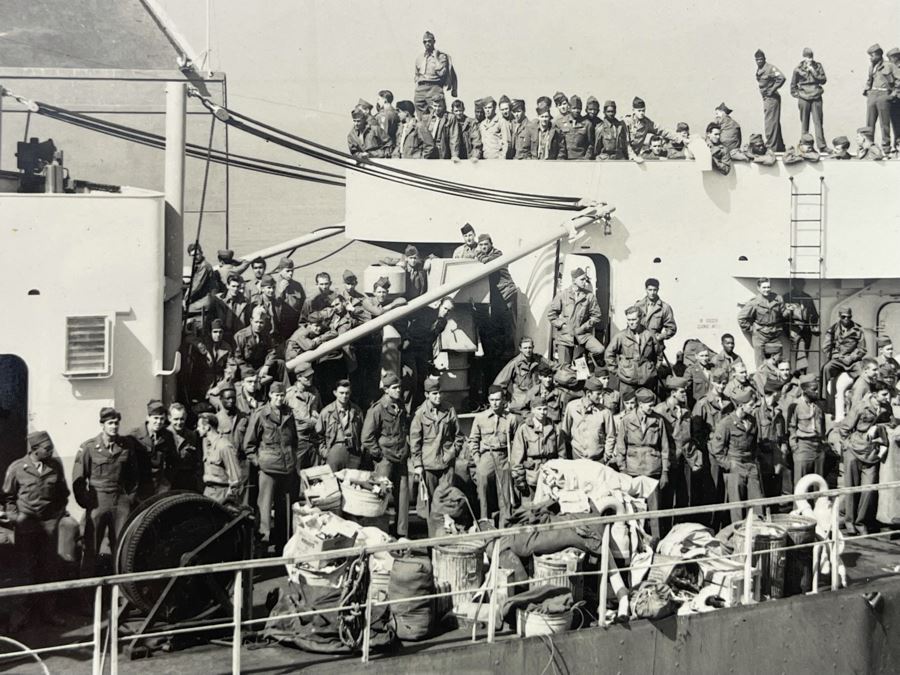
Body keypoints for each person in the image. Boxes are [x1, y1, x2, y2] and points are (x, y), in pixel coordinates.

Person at [2, 430, 69, 624]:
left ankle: (49, 612)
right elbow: (8, 497)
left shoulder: (55, 466)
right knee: (24, 569)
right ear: (34, 450)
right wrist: (16, 518)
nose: (51, 451)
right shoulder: (17, 468)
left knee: (50, 569)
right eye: (47, 449)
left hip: (49, 525)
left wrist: (56, 517)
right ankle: (20, 615)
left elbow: (62, 494)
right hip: (26, 524)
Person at [73, 407, 139, 575]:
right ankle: (86, 591)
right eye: (110, 423)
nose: (114, 427)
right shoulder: (89, 447)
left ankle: (121, 591)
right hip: (98, 501)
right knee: (91, 546)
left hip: (120, 501)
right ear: (102, 425)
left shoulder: (126, 446)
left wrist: (128, 499)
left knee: (122, 547)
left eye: (116, 423)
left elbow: (134, 476)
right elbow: (79, 479)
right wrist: (87, 502)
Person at [244, 382, 298, 551]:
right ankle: (263, 545)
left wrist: (292, 458)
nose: (279, 398)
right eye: (276, 395)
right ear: (270, 396)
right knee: (264, 510)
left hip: (287, 468)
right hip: (268, 469)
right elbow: (249, 445)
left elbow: (294, 439)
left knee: (284, 509)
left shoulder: (289, 414)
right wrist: (258, 462)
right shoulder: (261, 414)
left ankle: (282, 544)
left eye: (282, 395)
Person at [616, 388, 673, 537]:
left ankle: (656, 539)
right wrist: (622, 470)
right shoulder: (627, 420)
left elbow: (665, 448)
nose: (651, 408)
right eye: (649, 405)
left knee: (654, 511)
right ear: (640, 404)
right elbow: (621, 447)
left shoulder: (658, 420)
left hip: (652, 469)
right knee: (634, 510)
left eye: (653, 405)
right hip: (632, 470)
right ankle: (636, 540)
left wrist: (665, 472)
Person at [839, 381, 894, 533]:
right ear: (874, 394)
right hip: (854, 451)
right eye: (884, 394)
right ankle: (850, 522)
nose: (887, 397)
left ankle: (860, 522)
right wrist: (847, 447)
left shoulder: (886, 408)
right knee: (851, 488)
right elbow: (844, 428)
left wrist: (878, 426)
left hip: (872, 454)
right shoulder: (861, 406)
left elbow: (892, 423)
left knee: (868, 490)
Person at [362, 373, 410, 537]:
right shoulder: (377, 409)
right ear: (386, 389)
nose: (398, 390)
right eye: (395, 388)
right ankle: (380, 534)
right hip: (385, 459)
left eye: (399, 387)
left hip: (401, 456)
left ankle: (402, 535)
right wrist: (380, 455)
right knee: (380, 497)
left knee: (403, 498)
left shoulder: (401, 406)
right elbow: (366, 437)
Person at [710, 389, 764, 524]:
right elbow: (717, 450)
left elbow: (754, 444)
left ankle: (757, 534)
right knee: (737, 508)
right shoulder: (726, 423)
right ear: (741, 406)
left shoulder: (752, 420)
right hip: (735, 466)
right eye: (751, 405)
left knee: (758, 504)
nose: (753, 408)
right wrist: (730, 465)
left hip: (750, 465)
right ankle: (738, 537)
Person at [410, 377, 463, 510]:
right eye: (434, 393)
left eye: (440, 392)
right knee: (430, 502)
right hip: (429, 464)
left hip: (446, 463)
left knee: (447, 500)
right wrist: (417, 464)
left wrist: (452, 452)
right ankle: (433, 530)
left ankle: (447, 529)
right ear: (427, 395)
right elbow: (415, 441)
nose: (438, 396)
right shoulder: (420, 414)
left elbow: (459, 436)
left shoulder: (449, 409)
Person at [469, 385, 519, 525]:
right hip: (486, 456)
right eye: (492, 400)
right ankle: (484, 519)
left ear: (503, 400)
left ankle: (505, 522)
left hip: (503, 456)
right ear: (488, 400)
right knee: (482, 483)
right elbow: (473, 440)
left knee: (505, 492)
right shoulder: (480, 418)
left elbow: (516, 442)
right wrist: (478, 461)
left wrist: (512, 461)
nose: (495, 403)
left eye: (498, 399)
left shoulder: (511, 419)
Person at [690, 368, 732, 527]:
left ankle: (722, 525)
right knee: (710, 490)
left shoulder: (728, 403)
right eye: (719, 383)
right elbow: (696, 432)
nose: (722, 386)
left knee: (724, 490)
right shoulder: (703, 404)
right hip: (711, 452)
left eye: (724, 383)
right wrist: (710, 445)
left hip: (726, 450)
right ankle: (709, 526)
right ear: (712, 382)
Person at [656, 376, 700, 513]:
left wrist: (695, 458)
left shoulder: (686, 411)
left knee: (684, 500)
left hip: (685, 460)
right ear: (673, 393)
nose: (685, 395)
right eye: (682, 392)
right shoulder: (660, 411)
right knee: (667, 501)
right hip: (669, 461)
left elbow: (689, 437)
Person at [547, 267, 604, 366]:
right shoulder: (562, 295)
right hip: (565, 336)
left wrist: (583, 328)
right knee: (565, 371)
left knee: (599, 349)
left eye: (585, 279)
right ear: (574, 280)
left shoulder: (589, 296)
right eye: (582, 279)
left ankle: (589, 361)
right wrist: (562, 325)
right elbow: (552, 315)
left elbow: (596, 316)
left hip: (582, 335)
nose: (585, 282)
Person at [511, 395, 563, 500]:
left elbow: (562, 453)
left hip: (550, 475)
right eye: (539, 409)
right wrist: (519, 478)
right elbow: (517, 457)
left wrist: (560, 472)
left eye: (545, 409)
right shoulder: (524, 429)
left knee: (549, 508)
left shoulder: (554, 428)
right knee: (531, 509)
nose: (542, 412)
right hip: (532, 475)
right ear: (532, 410)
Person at [606, 305, 661, 395]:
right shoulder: (621, 336)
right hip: (627, 381)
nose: (631, 323)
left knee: (646, 406)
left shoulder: (649, 335)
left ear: (640, 319)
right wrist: (617, 372)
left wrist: (653, 371)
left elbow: (659, 355)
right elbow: (608, 355)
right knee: (627, 406)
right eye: (629, 320)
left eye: (634, 320)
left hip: (646, 380)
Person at [560, 376, 616, 463]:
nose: (601, 397)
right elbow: (565, 433)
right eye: (598, 394)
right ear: (588, 393)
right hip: (577, 458)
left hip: (598, 460)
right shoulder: (572, 407)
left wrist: (607, 455)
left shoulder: (605, 412)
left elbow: (611, 436)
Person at [130, 399, 176, 500]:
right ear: (148, 418)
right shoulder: (134, 436)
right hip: (140, 490)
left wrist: (167, 482)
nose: (158, 422)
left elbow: (173, 461)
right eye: (155, 418)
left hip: (161, 488)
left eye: (162, 419)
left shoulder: (167, 436)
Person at [738, 277, 789, 367]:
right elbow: (741, 318)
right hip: (760, 335)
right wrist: (751, 329)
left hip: (774, 333)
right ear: (759, 288)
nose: (767, 290)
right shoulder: (754, 302)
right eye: (764, 287)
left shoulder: (778, 299)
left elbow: (783, 313)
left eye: (768, 287)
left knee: (778, 357)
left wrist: (789, 312)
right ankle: (761, 379)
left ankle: (775, 378)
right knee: (760, 361)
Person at [316, 379, 366, 471]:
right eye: (341, 393)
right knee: (333, 482)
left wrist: (361, 450)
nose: (344, 396)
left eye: (347, 393)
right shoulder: (327, 412)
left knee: (352, 482)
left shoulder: (357, 411)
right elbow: (318, 436)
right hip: (334, 451)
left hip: (353, 453)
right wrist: (325, 453)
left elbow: (363, 433)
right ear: (335, 393)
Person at [493, 336, 552, 413]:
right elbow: (498, 384)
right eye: (525, 348)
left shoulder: (539, 359)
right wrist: (504, 402)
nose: (528, 350)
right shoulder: (514, 363)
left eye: (530, 348)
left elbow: (554, 366)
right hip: (521, 406)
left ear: (533, 347)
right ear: (520, 349)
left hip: (537, 403)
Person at [285, 364, 321, 486]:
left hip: (313, 438)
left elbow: (317, 411)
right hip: (298, 439)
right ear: (299, 377)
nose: (310, 379)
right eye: (307, 377)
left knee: (315, 473)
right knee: (296, 473)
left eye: (311, 376)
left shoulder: (315, 392)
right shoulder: (289, 395)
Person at [787, 373, 826, 484]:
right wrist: (795, 447)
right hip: (803, 447)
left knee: (819, 483)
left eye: (818, 389)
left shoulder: (819, 405)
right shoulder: (795, 405)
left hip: (818, 447)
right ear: (805, 390)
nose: (817, 392)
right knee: (801, 484)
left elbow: (822, 424)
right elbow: (791, 427)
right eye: (814, 389)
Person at [198, 412, 244, 505]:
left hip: (221, 495)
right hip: (208, 493)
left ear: (207, 427)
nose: (197, 429)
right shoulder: (206, 444)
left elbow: (236, 478)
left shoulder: (224, 446)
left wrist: (229, 500)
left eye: (199, 426)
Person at [790, 48, 828, 153]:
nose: (809, 59)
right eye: (807, 57)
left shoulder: (818, 66)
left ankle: (822, 146)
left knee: (818, 122)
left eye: (810, 57)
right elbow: (793, 85)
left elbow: (823, 80)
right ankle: (804, 146)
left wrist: (813, 71)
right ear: (803, 57)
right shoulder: (798, 69)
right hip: (804, 98)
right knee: (804, 123)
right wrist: (798, 95)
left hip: (816, 96)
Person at [756, 379, 787, 499]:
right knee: (764, 491)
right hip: (763, 458)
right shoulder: (758, 412)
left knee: (776, 491)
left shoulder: (778, 411)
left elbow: (783, 435)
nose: (781, 395)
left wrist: (784, 448)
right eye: (780, 392)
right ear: (775, 393)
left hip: (777, 458)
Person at [414, 31, 457, 116]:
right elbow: (416, 75)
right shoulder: (420, 58)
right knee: (421, 117)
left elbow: (441, 72)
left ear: (434, 41)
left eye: (429, 41)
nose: (427, 43)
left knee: (439, 114)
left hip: (434, 87)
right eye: (425, 42)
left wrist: (436, 57)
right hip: (421, 89)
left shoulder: (441, 56)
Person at [822, 307, 866, 387]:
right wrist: (837, 356)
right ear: (839, 316)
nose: (846, 319)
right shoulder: (832, 330)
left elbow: (862, 349)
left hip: (853, 361)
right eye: (843, 317)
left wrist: (851, 357)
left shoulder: (858, 330)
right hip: (838, 359)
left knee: (862, 373)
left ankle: (858, 394)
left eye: (849, 317)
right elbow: (826, 348)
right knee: (826, 368)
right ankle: (824, 397)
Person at [783, 278, 820, 372]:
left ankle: (802, 374)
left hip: (806, 328)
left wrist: (814, 325)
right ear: (793, 285)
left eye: (802, 285)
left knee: (805, 352)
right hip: (793, 328)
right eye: (797, 285)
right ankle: (798, 374)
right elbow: (782, 316)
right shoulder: (787, 297)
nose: (800, 287)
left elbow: (814, 315)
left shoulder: (807, 297)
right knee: (800, 348)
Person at [863, 44, 894, 153]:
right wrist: (867, 90)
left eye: (872, 55)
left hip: (883, 94)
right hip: (872, 94)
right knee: (869, 122)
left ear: (879, 55)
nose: (871, 58)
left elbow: (898, 79)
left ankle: (886, 147)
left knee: (884, 123)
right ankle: (869, 145)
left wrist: (894, 93)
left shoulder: (889, 65)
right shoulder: (872, 67)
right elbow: (869, 80)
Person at [754, 49, 786, 152]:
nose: (759, 61)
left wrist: (772, 89)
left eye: (761, 59)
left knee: (770, 123)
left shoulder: (769, 68)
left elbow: (781, 77)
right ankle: (779, 147)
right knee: (774, 122)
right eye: (757, 59)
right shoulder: (759, 69)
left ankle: (771, 147)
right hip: (766, 98)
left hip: (772, 98)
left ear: (764, 59)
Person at [167, 402, 202, 492]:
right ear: (169, 418)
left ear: (186, 417)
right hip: (167, 482)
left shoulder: (192, 436)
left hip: (187, 482)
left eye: (182, 419)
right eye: (176, 419)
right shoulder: (164, 435)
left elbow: (197, 460)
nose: (179, 422)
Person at [634, 277, 677, 346]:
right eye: (650, 290)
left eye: (655, 290)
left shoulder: (664, 307)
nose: (652, 293)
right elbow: (631, 324)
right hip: (639, 344)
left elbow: (671, 328)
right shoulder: (638, 306)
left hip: (655, 346)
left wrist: (660, 337)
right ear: (646, 290)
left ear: (658, 290)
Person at [215, 273, 251, 341]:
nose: (235, 289)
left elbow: (247, 322)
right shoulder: (218, 300)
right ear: (227, 286)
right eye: (233, 286)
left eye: (238, 286)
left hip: (238, 336)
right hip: (222, 336)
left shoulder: (245, 302)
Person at [559, 95, 594, 159]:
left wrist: (586, 159)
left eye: (579, 108)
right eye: (574, 108)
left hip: (581, 160)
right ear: (569, 108)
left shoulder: (587, 124)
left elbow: (591, 145)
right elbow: (560, 146)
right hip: (566, 160)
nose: (577, 110)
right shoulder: (561, 123)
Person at [424, 94, 458, 159]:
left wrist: (454, 155)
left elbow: (454, 138)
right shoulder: (427, 118)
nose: (437, 109)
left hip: (442, 151)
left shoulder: (450, 117)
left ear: (444, 106)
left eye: (440, 106)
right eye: (435, 106)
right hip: (429, 151)